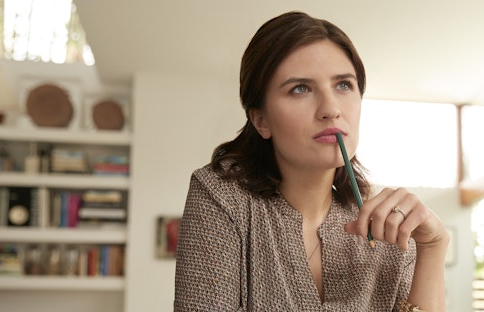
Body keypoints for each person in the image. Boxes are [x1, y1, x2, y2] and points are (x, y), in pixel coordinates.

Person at [174, 11, 449, 311]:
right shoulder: (221, 197)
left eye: (343, 85)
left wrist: (434, 246)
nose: (331, 109)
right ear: (261, 120)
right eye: (300, 88)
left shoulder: (388, 226)